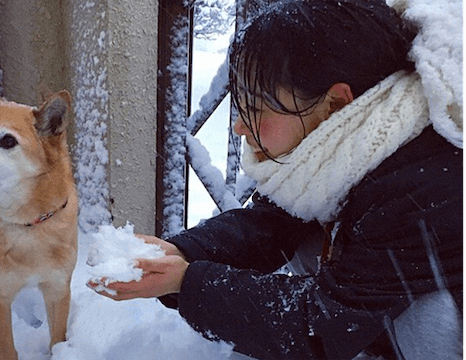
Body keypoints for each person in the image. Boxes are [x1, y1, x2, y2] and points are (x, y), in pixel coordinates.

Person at [90, 0, 464, 359]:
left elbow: (318, 328)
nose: (238, 126)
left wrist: (188, 283)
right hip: (376, 302)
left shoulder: (421, 189)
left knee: (431, 311)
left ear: (334, 104)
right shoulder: (353, 143)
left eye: (255, 108)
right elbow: (273, 222)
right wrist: (183, 253)